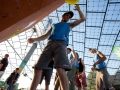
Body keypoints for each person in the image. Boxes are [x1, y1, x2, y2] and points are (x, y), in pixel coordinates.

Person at [28, 4, 85, 90]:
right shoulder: (54, 25)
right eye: (67, 15)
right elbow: (45, 35)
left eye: (69, 17)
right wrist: (34, 39)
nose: (68, 17)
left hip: (61, 44)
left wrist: (79, 10)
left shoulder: (70, 25)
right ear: (63, 15)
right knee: (38, 67)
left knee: (60, 68)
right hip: (50, 43)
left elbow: (82, 19)